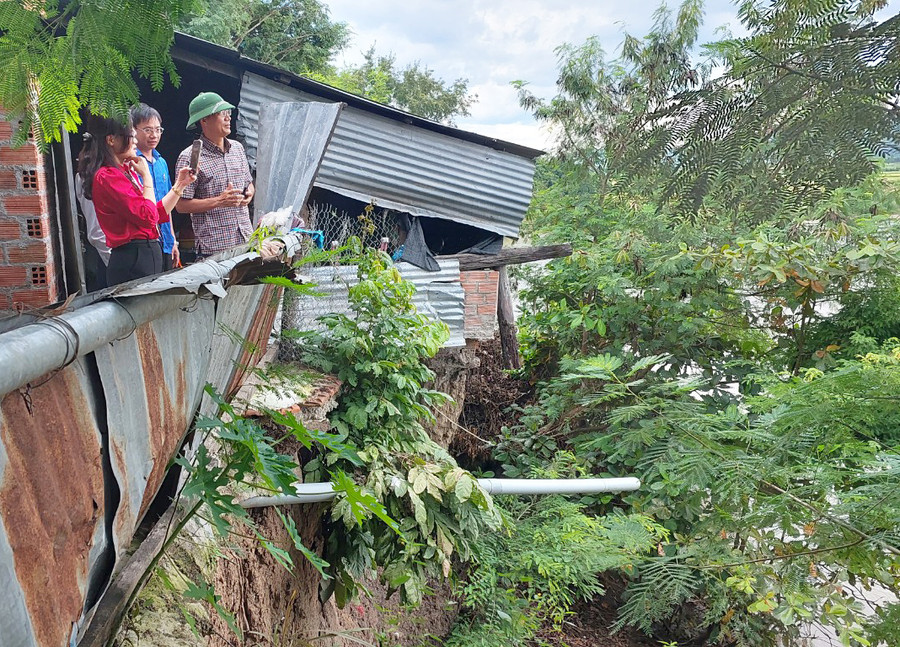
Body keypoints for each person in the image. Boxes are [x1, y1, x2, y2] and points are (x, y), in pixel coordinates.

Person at [77, 114, 195, 286]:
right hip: (133, 256)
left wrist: (180, 185)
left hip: (146, 253)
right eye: (130, 136)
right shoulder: (108, 176)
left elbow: (156, 213)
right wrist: (146, 176)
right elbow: (148, 217)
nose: (134, 141)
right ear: (111, 140)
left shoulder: (124, 170)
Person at [175, 92, 255, 257]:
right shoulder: (191, 157)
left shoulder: (238, 149)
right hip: (214, 248)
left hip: (245, 239)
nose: (228, 118)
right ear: (204, 120)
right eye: (222, 114)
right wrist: (219, 201)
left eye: (229, 113)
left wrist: (249, 193)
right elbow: (181, 205)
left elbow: (249, 183)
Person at [130, 103, 180, 270]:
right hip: (145, 243)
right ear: (133, 130)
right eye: (148, 130)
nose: (154, 135)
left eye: (158, 130)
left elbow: (168, 204)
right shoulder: (131, 162)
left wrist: (173, 240)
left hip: (165, 240)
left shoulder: (161, 162)